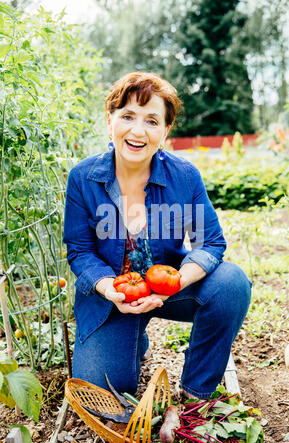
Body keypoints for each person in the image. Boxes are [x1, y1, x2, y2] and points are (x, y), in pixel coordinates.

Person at [63, 71, 252, 400]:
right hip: (112, 299)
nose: (138, 131)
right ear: (111, 121)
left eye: (152, 121)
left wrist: (173, 284)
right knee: (103, 390)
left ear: (165, 131)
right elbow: (80, 251)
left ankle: (196, 391)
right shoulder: (83, 177)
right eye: (128, 116)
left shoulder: (184, 176)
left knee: (231, 284)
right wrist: (110, 289)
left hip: (165, 287)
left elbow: (210, 242)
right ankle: (130, 336)